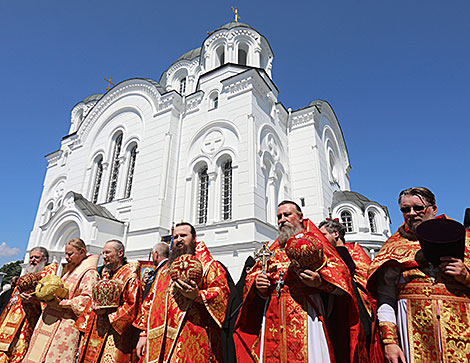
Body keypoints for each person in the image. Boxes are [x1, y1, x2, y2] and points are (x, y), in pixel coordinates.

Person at [234, 201, 366, 362]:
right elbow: (251, 280)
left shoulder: (316, 243)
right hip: (272, 318)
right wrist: (258, 287)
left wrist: (319, 282)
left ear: (301, 217)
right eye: (279, 217)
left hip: (307, 315)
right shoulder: (271, 250)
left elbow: (342, 278)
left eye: (287, 215)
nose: (282, 220)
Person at [367, 187, 470, 363]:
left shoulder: (463, 239)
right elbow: (385, 298)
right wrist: (389, 342)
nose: (412, 213)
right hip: (414, 332)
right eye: (406, 209)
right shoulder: (392, 248)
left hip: (463, 327)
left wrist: (466, 276)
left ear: (433, 209)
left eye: (418, 208)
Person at [134, 222, 230, 363]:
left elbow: (222, 295)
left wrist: (197, 295)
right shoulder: (164, 270)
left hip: (191, 336)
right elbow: (150, 301)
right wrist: (143, 334)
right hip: (160, 337)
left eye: (183, 235)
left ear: (194, 238)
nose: (179, 239)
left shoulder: (209, 265)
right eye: (175, 237)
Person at [22, 238, 99, 363]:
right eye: (66, 254)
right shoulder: (70, 270)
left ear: (82, 252)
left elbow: (88, 300)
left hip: (67, 325)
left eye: (70, 254)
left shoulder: (89, 273)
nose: (67, 258)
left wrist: (62, 303)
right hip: (52, 321)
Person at [318, 219, 382, 361]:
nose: (320, 239)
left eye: (323, 235)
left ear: (336, 234)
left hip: (355, 306)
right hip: (335, 307)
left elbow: (355, 273)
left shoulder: (351, 251)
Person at [76, 240, 141, 363]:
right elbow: (92, 301)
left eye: (107, 252)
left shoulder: (130, 277)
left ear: (120, 253)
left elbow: (132, 305)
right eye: (103, 253)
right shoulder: (106, 276)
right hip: (96, 331)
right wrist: (84, 328)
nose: (104, 256)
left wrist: (108, 314)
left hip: (114, 336)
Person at [0, 247, 57, 363]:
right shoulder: (24, 276)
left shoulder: (49, 280)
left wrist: (34, 300)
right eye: (31, 257)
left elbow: (48, 304)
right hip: (11, 319)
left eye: (37, 257)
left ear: (45, 260)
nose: (33, 260)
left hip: (28, 324)